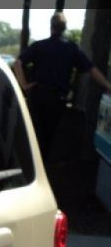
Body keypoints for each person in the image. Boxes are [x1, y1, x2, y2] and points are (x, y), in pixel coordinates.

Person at [14, 12, 111, 162]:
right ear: (64, 29)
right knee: (49, 135)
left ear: (51, 26)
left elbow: (18, 63)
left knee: (33, 131)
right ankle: (41, 163)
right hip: (57, 99)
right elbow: (91, 69)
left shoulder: (39, 46)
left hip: (38, 95)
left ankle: (27, 162)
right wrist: (108, 86)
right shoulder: (71, 48)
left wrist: (24, 85)